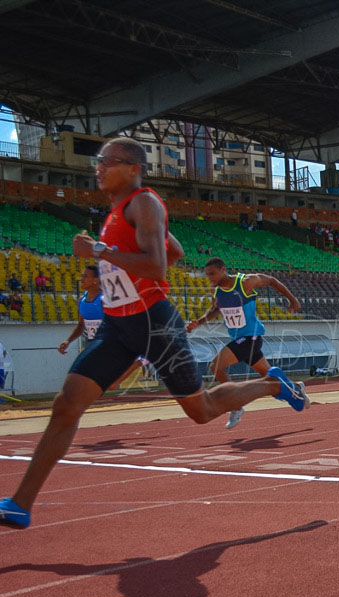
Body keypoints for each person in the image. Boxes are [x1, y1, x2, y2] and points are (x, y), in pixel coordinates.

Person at [0, 136, 310, 529]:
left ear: (132, 168)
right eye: (97, 161)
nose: (98, 167)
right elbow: (174, 251)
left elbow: (157, 268)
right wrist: (109, 251)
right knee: (67, 403)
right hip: (117, 325)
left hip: (152, 322)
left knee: (202, 411)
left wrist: (99, 252)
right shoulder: (115, 214)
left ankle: (273, 385)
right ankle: (20, 504)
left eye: (106, 161)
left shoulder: (144, 203)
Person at [186, 257, 302, 428]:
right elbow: (216, 309)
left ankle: (235, 405)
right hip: (238, 339)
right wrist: (199, 322)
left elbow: (271, 280)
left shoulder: (245, 282)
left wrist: (293, 300)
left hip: (251, 337)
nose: (210, 278)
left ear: (223, 270)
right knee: (270, 378)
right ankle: (296, 391)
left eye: (213, 274)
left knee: (215, 366)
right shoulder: (217, 291)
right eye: (207, 275)